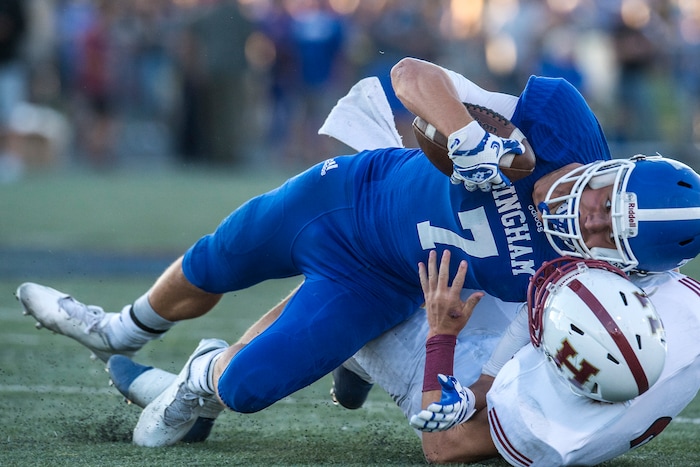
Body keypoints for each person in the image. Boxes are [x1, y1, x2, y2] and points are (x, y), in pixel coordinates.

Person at [16, 58, 700, 447]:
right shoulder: (559, 123)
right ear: (619, 165)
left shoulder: (573, 283)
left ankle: (199, 378)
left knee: (243, 390)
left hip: (383, 285)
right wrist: (463, 134)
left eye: (612, 233)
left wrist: (439, 340)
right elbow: (412, 75)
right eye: (607, 198)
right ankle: (119, 326)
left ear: (625, 261)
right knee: (215, 260)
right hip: (353, 193)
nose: (592, 216)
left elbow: (460, 402)